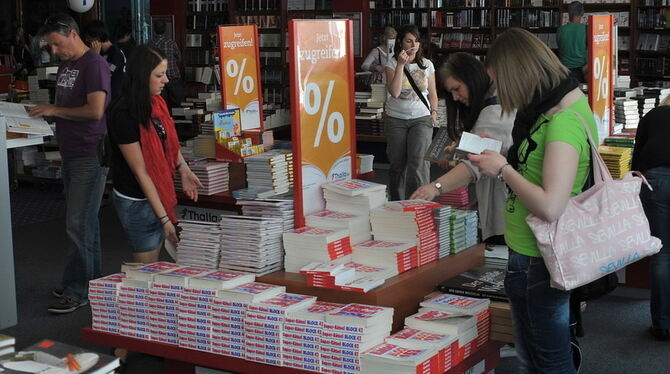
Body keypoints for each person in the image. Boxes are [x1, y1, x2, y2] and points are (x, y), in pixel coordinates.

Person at [467, 28, 597, 373]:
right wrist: (499, 153)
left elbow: (550, 205)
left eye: (502, 83)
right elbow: (541, 165)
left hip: (541, 255)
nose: (503, 94)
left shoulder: (562, 122)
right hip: (531, 251)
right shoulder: (556, 109)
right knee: (536, 354)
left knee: (547, 358)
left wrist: (503, 169)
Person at [29, 13, 111, 314]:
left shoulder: (94, 64)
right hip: (73, 150)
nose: (53, 51)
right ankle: (90, 283)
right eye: (49, 46)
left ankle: (80, 290)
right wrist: (46, 113)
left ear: (72, 34)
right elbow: (67, 107)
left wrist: (54, 110)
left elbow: (95, 111)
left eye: (56, 44)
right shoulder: (68, 64)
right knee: (85, 223)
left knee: (78, 224)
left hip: (89, 153)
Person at [410, 52, 514, 243]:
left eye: (457, 89)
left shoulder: (493, 112)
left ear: (471, 78)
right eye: (451, 93)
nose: (455, 98)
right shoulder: (497, 97)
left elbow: (472, 167)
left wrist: (435, 187)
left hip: (505, 210)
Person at [384, 24, 438, 201]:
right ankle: (396, 203)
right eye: (409, 40)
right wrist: (400, 65)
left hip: (421, 118)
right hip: (396, 119)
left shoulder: (427, 65)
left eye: (416, 40)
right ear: (401, 43)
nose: (413, 44)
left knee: (419, 163)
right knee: (397, 165)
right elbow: (395, 92)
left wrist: (435, 111)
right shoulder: (391, 63)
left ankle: (418, 203)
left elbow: (433, 94)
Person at [632, 96, 670, 341]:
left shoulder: (653, 115)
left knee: (662, 252)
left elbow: (637, 156)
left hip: (655, 180)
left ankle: (662, 324)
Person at [82, 20, 126, 99]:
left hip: (114, 98)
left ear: (97, 37)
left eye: (89, 38)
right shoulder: (101, 52)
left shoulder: (116, 54)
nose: (87, 40)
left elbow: (107, 73)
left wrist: (96, 56)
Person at [150, 20, 183, 108]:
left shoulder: (150, 44)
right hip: (173, 76)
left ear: (154, 29)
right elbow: (179, 57)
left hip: (157, 79)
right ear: (165, 29)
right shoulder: (171, 43)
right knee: (177, 104)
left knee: (161, 103)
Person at [557, 1, 587, 83]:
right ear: (582, 13)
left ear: (568, 13)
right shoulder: (586, 29)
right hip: (582, 71)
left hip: (564, 71)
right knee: (581, 95)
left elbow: (560, 48)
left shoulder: (560, 30)